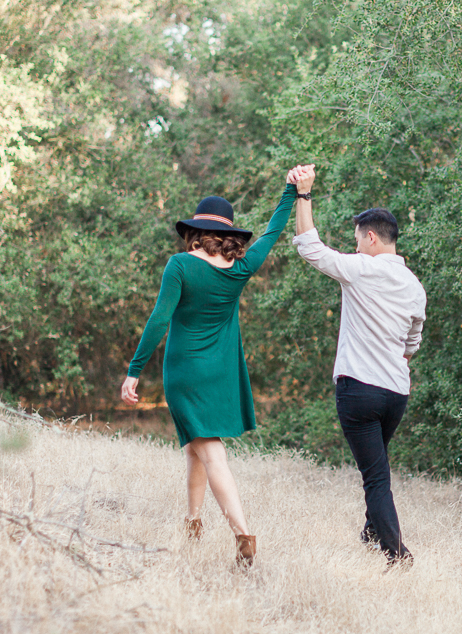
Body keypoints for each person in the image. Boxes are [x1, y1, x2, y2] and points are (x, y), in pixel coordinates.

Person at [120, 168, 304, 567]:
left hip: (185, 372)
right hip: (219, 372)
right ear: (229, 236)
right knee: (195, 447)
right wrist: (291, 192)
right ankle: (193, 523)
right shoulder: (240, 268)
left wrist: (134, 370)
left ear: (195, 232)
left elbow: (158, 320)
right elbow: (273, 232)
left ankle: (242, 534)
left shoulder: (180, 266)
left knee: (211, 451)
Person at [288, 164, 427, 565]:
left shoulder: (362, 269)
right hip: (396, 393)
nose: (355, 245)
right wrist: (397, 361)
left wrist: (304, 195)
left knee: (376, 477)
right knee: (377, 464)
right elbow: (412, 342)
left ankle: (396, 553)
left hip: (359, 390)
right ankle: (370, 532)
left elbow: (309, 246)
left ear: (369, 238)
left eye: (356, 239)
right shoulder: (415, 286)